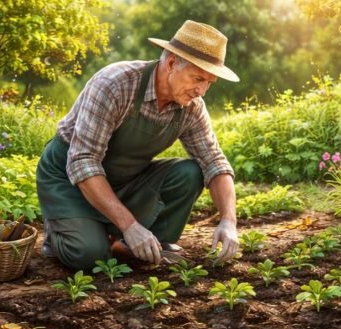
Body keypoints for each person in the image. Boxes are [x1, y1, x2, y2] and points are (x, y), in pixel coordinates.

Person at [36, 20, 241, 270]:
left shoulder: (191, 106)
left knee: (190, 173)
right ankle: (63, 230)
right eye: (198, 78)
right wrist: (130, 225)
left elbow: (214, 162)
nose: (202, 90)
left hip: (125, 178)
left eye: (209, 82)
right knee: (90, 256)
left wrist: (228, 221)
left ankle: (137, 242)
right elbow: (82, 162)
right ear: (172, 63)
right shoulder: (115, 85)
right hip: (70, 179)